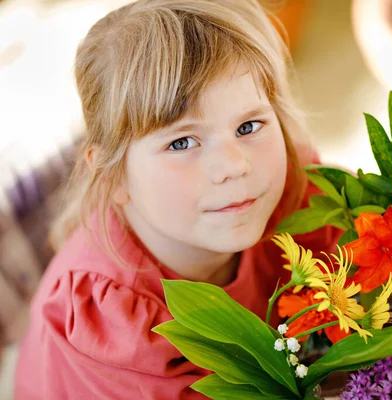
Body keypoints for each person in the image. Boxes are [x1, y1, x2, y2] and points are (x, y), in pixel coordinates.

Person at [14, 0, 340, 398]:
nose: (233, 166)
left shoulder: (296, 190)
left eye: (248, 125)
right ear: (114, 175)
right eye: (182, 142)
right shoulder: (110, 323)